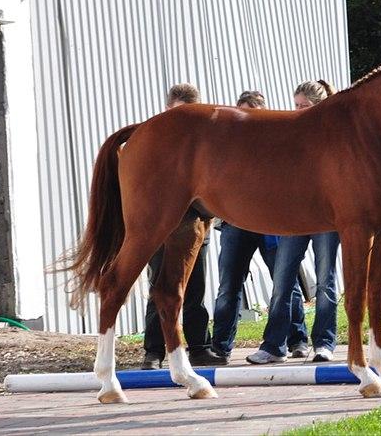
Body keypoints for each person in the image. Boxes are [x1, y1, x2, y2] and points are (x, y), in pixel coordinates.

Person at [246, 80, 340, 365]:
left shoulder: (333, 135)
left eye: (304, 106)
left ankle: (324, 343)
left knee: (325, 280)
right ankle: (274, 345)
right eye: (296, 105)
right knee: (282, 280)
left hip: (325, 215)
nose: (297, 110)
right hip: (293, 215)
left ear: (319, 106)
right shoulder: (289, 132)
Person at [211, 91, 308, 360]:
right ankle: (220, 345)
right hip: (236, 222)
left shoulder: (276, 139)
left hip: (271, 222)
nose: (246, 119)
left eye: (252, 113)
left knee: (285, 282)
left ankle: (298, 339)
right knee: (228, 285)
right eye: (242, 113)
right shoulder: (227, 144)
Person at [141, 83, 226, 369]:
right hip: (162, 225)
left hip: (195, 224)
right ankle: (153, 350)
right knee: (160, 286)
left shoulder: (204, 144)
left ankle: (199, 345)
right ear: (168, 110)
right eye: (180, 114)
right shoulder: (154, 140)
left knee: (196, 287)